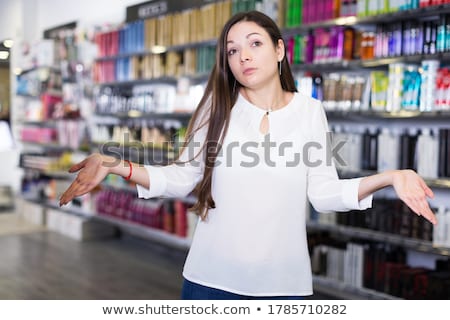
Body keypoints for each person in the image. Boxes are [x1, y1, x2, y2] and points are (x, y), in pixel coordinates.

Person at [59, 11, 437, 300]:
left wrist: (390, 177)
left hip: (284, 285)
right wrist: (115, 164)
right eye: (233, 50)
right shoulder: (215, 107)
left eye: (255, 43)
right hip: (210, 281)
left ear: (279, 50)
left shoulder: (309, 112)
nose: (243, 56)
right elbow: (181, 178)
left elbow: (323, 193)